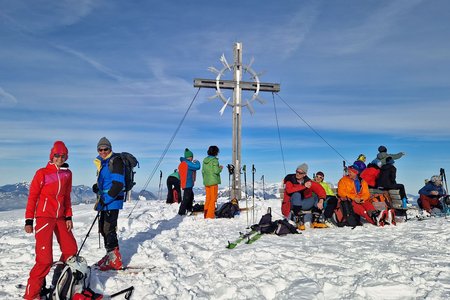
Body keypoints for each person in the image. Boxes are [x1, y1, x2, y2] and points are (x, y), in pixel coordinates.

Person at [24, 141, 78, 300]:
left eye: (63, 156)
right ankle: (31, 295)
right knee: (44, 260)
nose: (59, 158)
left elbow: (66, 197)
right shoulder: (42, 173)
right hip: (44, 218)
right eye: (57, 155)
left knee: (70, 251)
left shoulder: (67, 174)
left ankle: (59, 281)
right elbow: (33, 197)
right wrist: (29, 220)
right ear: (51, 156)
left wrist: (68, 216)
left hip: (60, 217)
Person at [93, 137, 125, 271]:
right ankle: (110, 255)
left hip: (112, 200)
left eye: (105, 149)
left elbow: (118, 184)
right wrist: (97, 187)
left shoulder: (115, 161)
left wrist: (105, 199)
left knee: (108, 228)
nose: (102, 151)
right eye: (100, 149)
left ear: (110, 149)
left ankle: (115, 260)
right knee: (103, 228)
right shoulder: (104, 162)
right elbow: (108, 181)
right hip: (106, 199)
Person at [281, 163, 328, 230]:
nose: (297, 174)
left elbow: (320, 190)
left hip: (304, 203)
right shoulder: (290, 179)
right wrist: (304, 186)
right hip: (291, 204)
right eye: (297, 171)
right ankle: (298, 220)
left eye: (300, 173)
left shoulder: (308, 181)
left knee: (316, 196)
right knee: (296, 194)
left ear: (304, 174)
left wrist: (321, 200)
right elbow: (289, 190)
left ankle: (316, 220)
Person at [202, 146, 223, 219]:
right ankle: (210, 216)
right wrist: (220, 168)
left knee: (208, 198)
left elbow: (203, 171)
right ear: (216, 152)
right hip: (213, 182)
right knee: (213, 199)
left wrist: (205, 179)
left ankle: (206, 214)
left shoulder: (205, 160)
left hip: (206, 181)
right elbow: (216, 171)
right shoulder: (215, 160)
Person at [178, 148, 201, 215]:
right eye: (192, 157)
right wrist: (197, 161)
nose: (192, 158)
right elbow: (197, 167)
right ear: (190, 157)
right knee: (186, 198)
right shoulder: (187, 163)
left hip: (185, 183)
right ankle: (181, 212)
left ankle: (189, 208)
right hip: (187, 184)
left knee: (190, 196)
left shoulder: (182, 163)